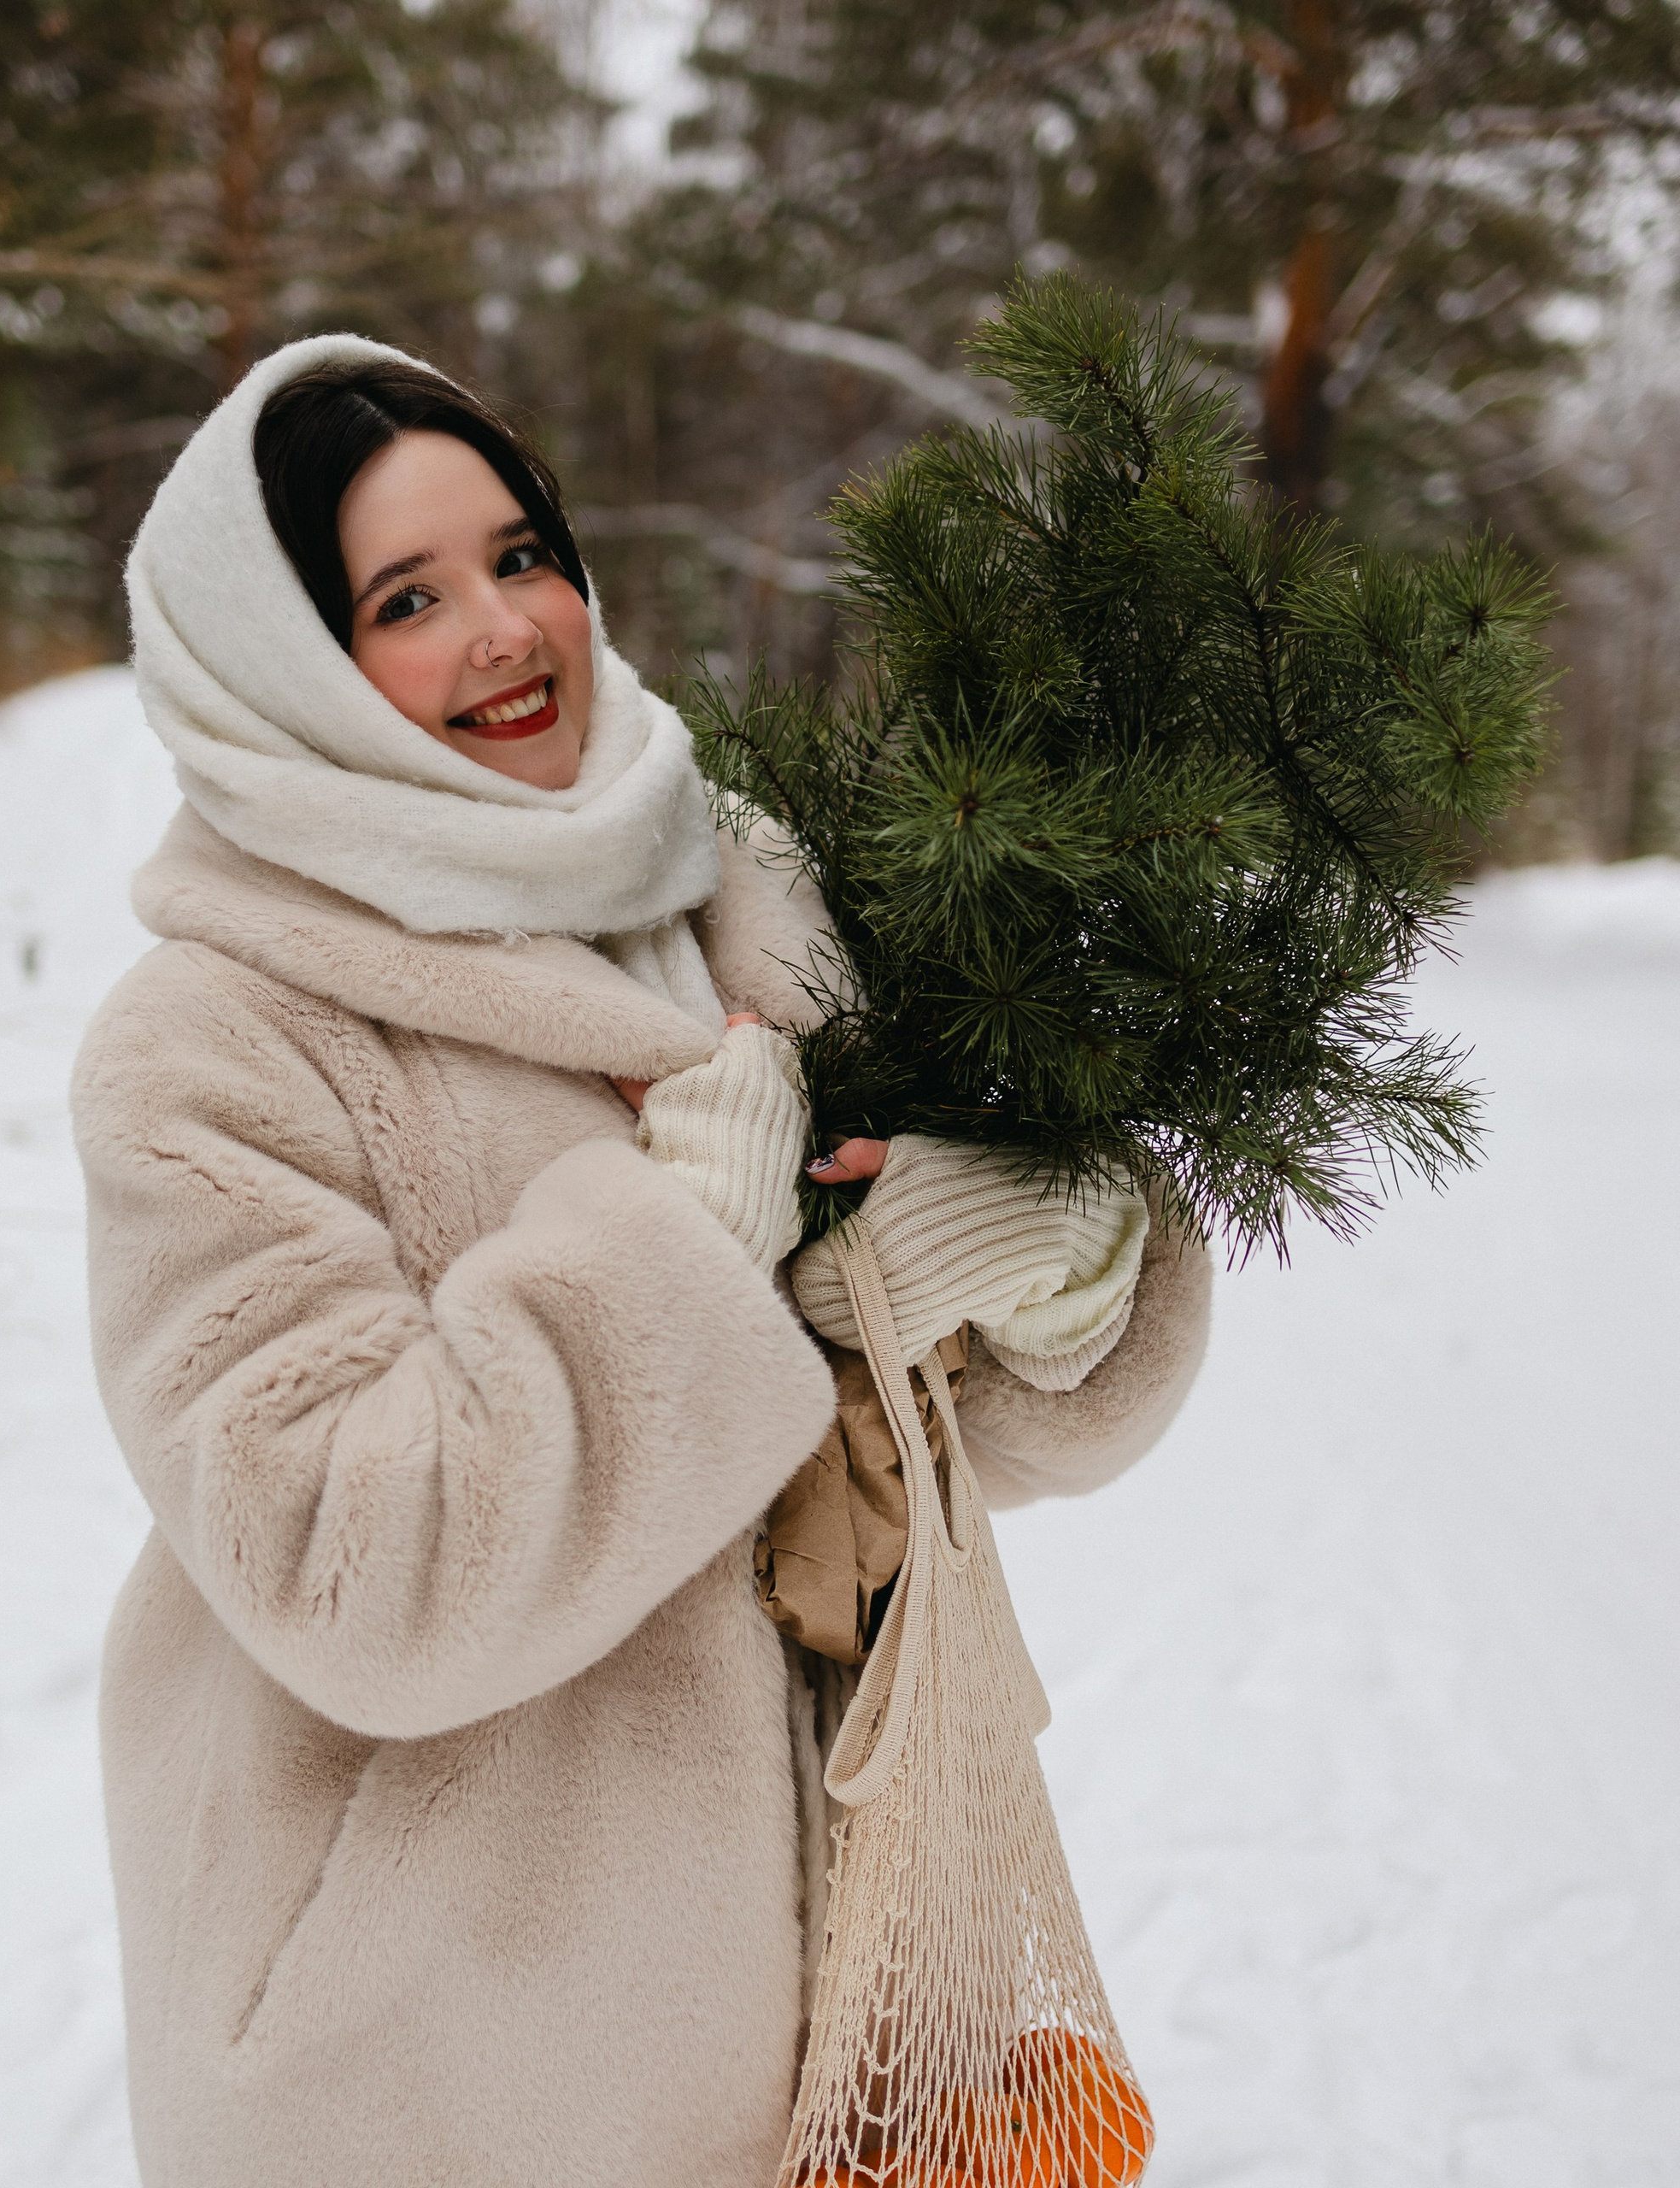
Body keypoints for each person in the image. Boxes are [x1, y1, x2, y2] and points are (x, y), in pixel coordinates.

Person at [72, 334, 1212, 2188]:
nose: (505, 630)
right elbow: (353, 1568)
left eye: (520, 553)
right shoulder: (212, 1039)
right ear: (285, 661)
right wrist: (680, 1240)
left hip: (836, 2023)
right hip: (448, 2071)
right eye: (405, 597)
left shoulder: (732, 896)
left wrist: (1051, 1270)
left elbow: (893, 1440)